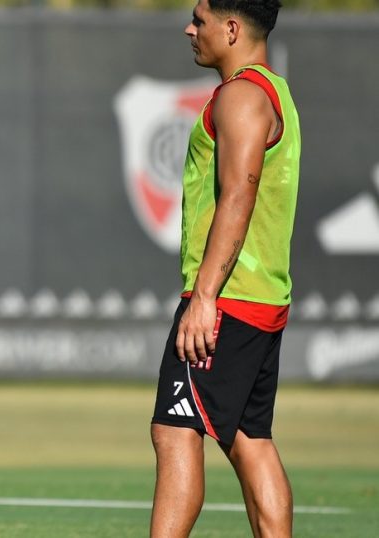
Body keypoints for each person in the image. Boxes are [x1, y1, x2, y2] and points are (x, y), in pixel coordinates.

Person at [150, 0, 300, 536]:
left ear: (232, 28)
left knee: (174, 433)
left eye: (201, 19)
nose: (190, 29)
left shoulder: (241, 96)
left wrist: (204, 298)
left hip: (227, 300)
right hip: (261, 298)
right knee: (249, 438)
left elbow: (240, 193)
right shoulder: (274, 92)